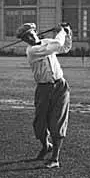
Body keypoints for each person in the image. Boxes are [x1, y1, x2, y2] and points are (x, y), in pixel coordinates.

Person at [16, 22, 73, 169]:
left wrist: (68, 32)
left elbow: (64, 47)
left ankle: (55, 158)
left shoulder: (47, 42)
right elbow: (56, 44)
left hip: (60, 87)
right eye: (25, 37)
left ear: (35, 32)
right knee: (39, 124)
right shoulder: (32, 51)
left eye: (30, 33)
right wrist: (60, 32)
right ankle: (45, 145)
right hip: (43, 88)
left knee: (57, 122)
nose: (29, 38)